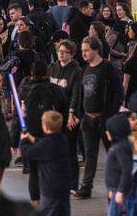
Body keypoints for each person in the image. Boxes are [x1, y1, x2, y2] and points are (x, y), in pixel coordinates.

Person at [74, 36, 124, 199]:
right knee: (90, 154)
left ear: (96, 50)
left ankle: (116, 186)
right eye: (82, 51)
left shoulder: (108, 68)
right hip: (88, 120)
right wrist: (79, 114)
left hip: (105, 118)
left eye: (87, 50)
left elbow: (118, 93)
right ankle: (86, 187)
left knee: (113, 153)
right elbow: (81, 93)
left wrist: (110, 115)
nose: (84, 54)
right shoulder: (85, 70)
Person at [19, 110, 71, 216]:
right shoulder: (62, 140)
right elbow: (43, 144)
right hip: (64, 188)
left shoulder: (46, 144)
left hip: (50, 190)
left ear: (45, 126)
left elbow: (28, 152)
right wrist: (32, 138)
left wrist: (23, 140)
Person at [49, 40, 83, 194]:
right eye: (59, 51)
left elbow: (76, 94)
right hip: (54, 115)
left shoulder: (76, 71)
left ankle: (72, 184)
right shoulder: (53, 68)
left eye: (64, 52)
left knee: (70, 150)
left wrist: (72, 113)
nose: (61, 54)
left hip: (69, 115)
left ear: (72, 54)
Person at [104, 112, 133, 216]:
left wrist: (120, 191)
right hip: (114, 189)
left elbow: (127, 169)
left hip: (119, 190)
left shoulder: (120, 147)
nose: (106, 133)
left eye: (109, 131)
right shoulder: (117, 146)